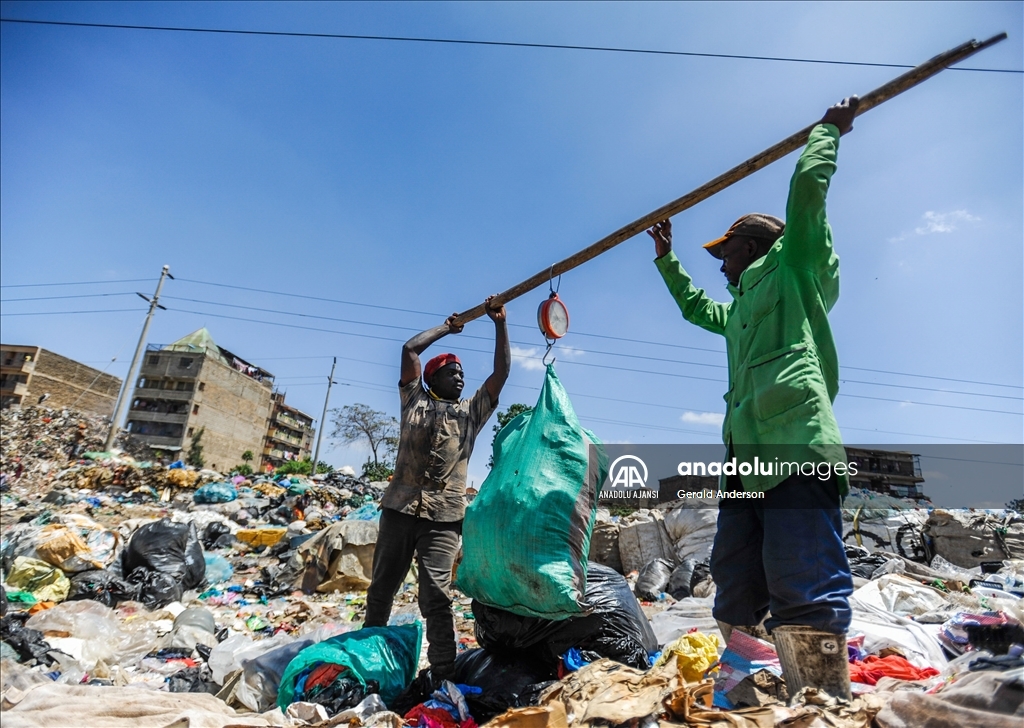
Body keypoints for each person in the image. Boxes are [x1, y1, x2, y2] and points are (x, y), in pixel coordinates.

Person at [648, 97, 860, 699]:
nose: (720, 265)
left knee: (804, 579)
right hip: (744, 463)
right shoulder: (741, 307)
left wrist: (826, 134)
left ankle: (822, 700)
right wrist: (668, 262)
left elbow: (806, 200)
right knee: (736, 581)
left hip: (795, 447)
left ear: (753, 245)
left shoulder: (792, 268)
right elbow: (697, 309)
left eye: (726, 253)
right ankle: (742, 691)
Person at [364, 295, 510, 683]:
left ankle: (444, 677)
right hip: (398, 510)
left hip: (444, 520)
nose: (459, 376)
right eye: (450, 371)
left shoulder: (470, 413)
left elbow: (500, 375)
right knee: (381, 591)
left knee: (437, 599)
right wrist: (450, 327)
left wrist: (499, 324)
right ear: (431, 379)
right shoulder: (413, 401)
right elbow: (410, 349)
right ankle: (367, 662)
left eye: (461, 372)